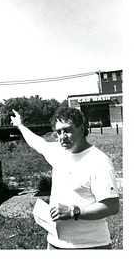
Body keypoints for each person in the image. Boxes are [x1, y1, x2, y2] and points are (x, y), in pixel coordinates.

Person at [11, 107, 119, 249]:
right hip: (55, 244)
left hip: (89, 246)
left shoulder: (98, 161)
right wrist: (20, 125)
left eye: (67, 130)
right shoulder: (59, 152)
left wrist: (73, 211)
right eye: (59, 132)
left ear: (81, 129)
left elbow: (111, 206)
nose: (62, 136)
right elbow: (38, 143)